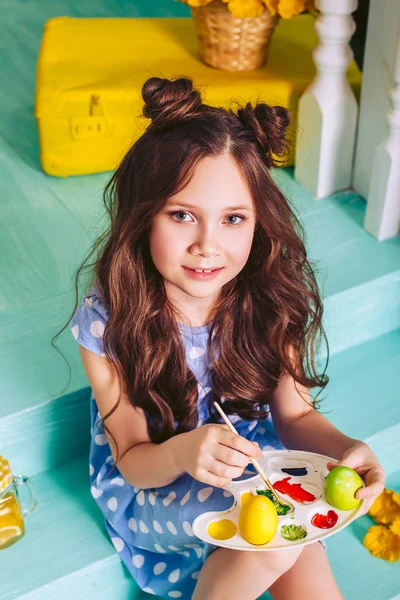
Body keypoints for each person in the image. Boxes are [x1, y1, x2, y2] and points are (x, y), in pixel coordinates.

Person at [69, 76, 385, 600]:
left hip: (254, 463)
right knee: (279, 542)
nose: (207, 246)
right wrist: (182, 454)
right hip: (158, 480)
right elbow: (132, 458)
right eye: (182, 215)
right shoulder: (110, 322)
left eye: (233, 218)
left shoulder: (271, 301)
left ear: (258, 223)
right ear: (143, 217)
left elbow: (297, 417)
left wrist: (349, 449)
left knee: (298, 545)